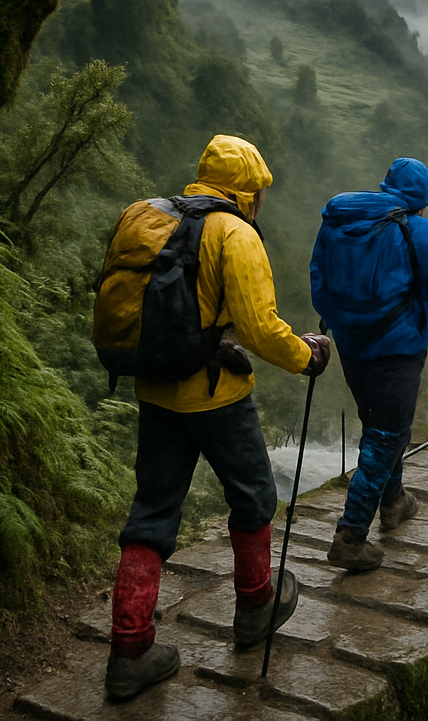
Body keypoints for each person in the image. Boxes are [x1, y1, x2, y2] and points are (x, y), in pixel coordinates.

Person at [103, 134, 330, 700]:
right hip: (217, 396)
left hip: (154, 389)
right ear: (247, 193)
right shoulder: (234, 233)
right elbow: (258, 327)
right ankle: (256, 606)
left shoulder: (150, 216)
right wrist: (308, 356)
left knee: (152, 512)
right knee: (253, 496)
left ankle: (129, 647)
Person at [309, 157, 428, 571]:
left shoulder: (337, 223)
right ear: (424, 200)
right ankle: (351, 535)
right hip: (398, 351)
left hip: (352, 347)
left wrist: (348, 324)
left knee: (381, 428)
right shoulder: (419, 229)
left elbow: (319, 283)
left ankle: (394, 501)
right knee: (386, 436)